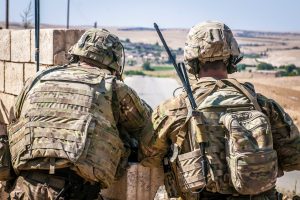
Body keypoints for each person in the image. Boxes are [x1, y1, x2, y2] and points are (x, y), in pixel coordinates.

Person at [139, 21, 300, 200]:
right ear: (231, 57)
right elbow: (295, 158)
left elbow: (148, 157)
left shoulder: (175, 108)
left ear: (192, 61)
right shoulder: (262, 105)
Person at [6, 29, 152, 200]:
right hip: (74, 191)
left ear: (77, 52)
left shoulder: (38, 78)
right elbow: (146, 127)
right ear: (114, 62)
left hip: (24, 188)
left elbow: (13, 122)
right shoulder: (114, 87)